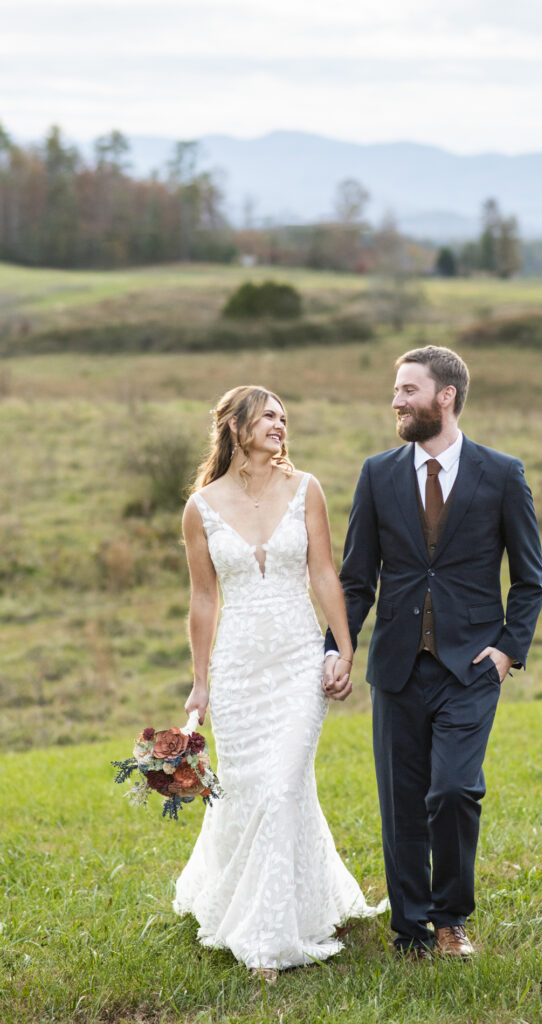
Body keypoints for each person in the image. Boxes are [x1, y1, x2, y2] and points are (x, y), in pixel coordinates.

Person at [324, 345, 542, 959]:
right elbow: (355, 577)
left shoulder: (502, 474)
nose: (396, 401)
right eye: (396, 391)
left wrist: (506, 651)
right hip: (395, 666)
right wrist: (337, 648)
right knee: (401, 804)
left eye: (408, 390)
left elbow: (529, 579)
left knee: (452, 791)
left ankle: (451, 919)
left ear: (444, 397)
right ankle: (411, 930)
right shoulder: (377, 474)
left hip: (471, 667)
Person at [174, 385, 379, 983]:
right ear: (235, 426)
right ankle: (275, 898)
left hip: (296, 662)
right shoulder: (201, 507)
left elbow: (323, 571)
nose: (281, 426)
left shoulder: (305, 488)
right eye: (269, 417)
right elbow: (204, 598)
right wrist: (200, 684)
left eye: (285, 419)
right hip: (238, 670)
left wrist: (342, 647)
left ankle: (267, 939)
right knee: (249, 790)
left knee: (284, 783)